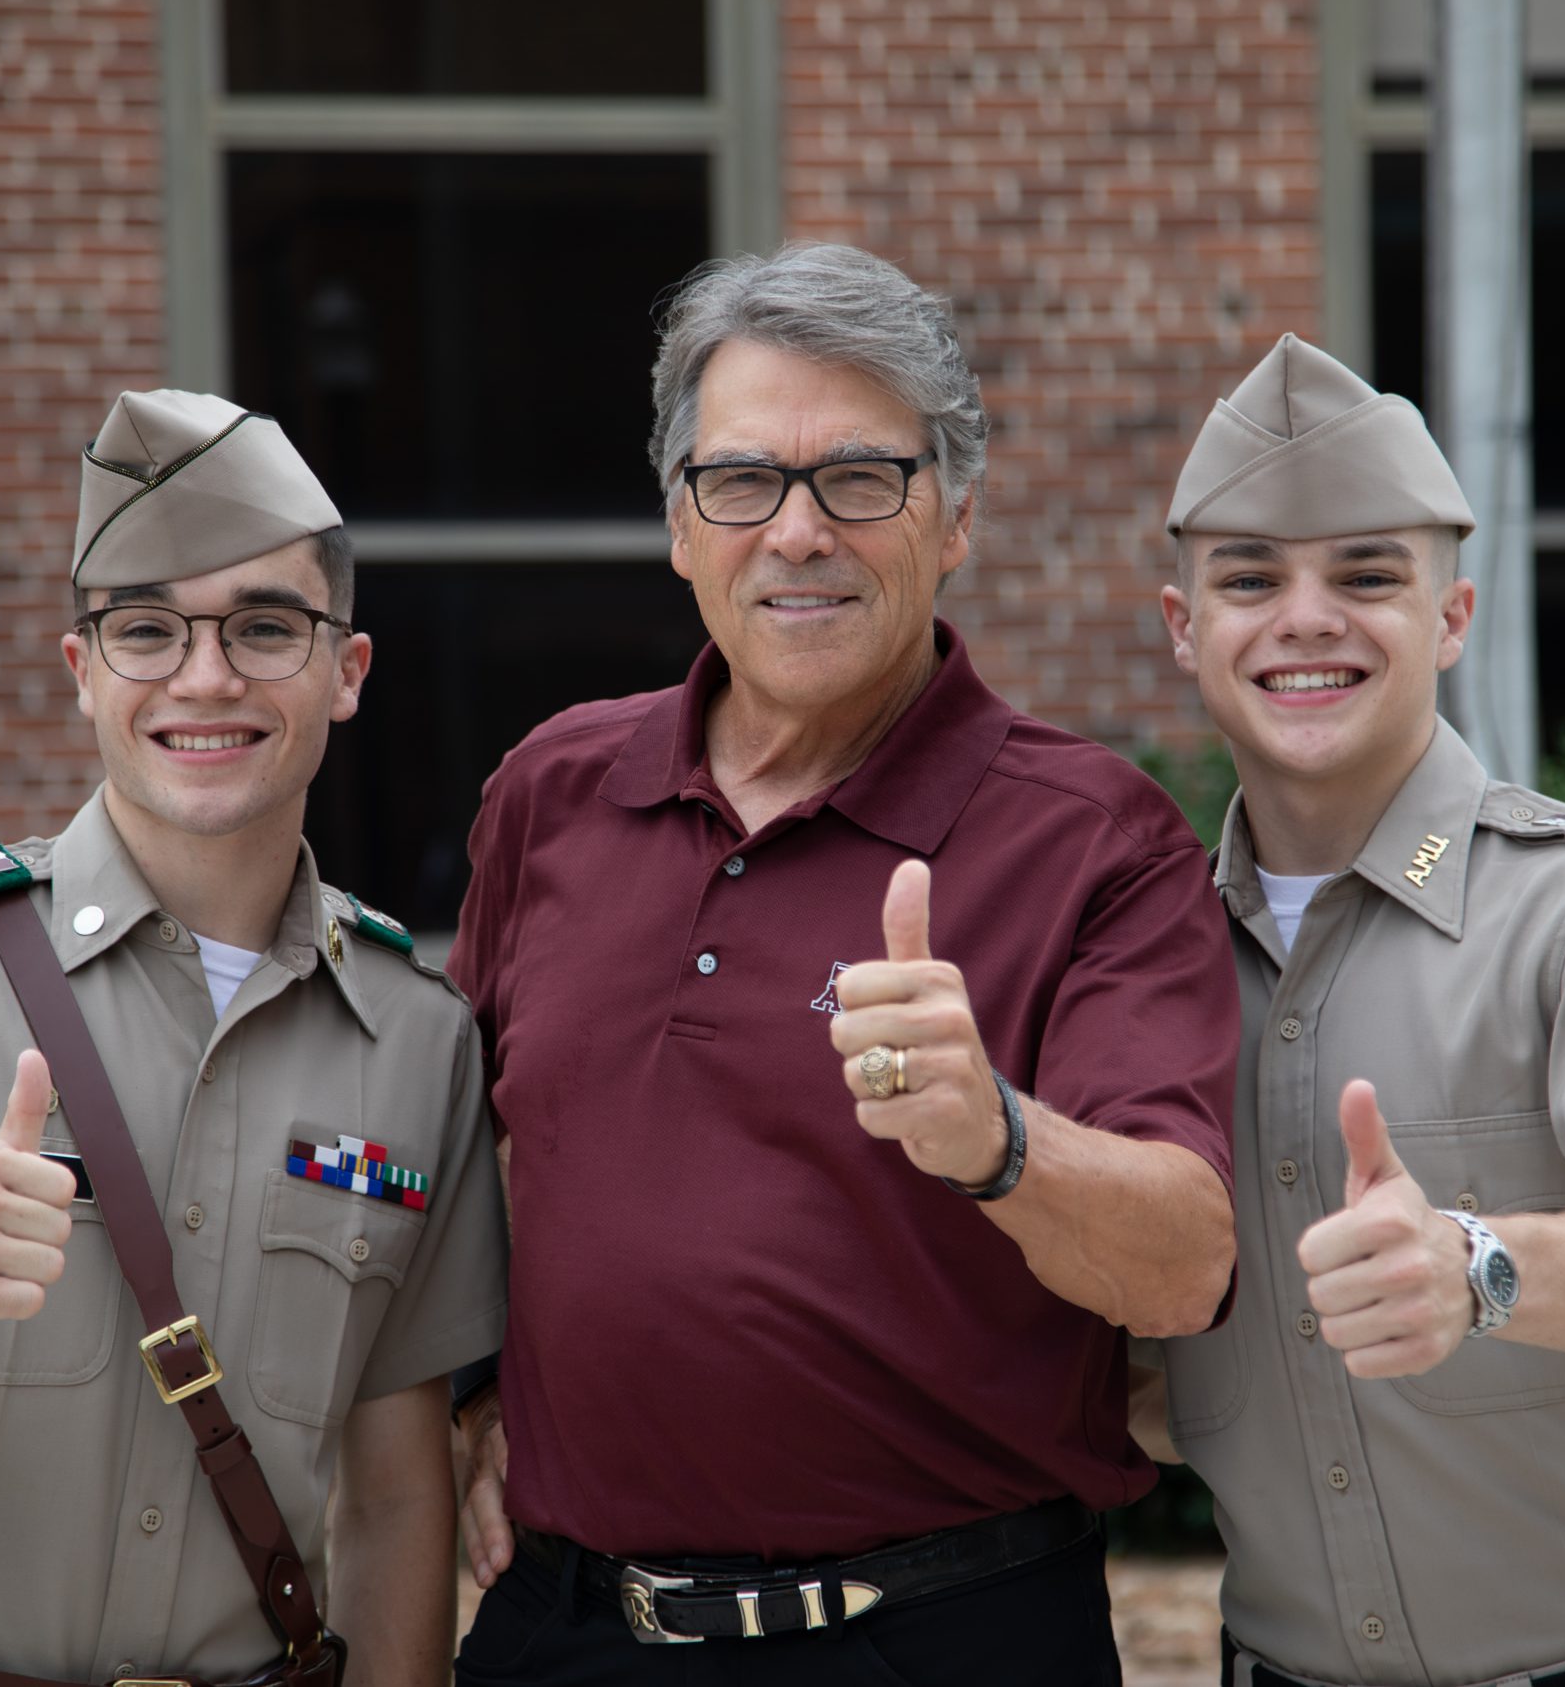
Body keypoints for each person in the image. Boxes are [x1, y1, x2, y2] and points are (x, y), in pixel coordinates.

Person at [442, 241, 1240, 1683]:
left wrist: (997, 1139)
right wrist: (468, 1401)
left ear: (957, 522)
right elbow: (473, 1159)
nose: (797, 532)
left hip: (942, 1637)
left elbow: (1184, 1266)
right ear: (681, 526)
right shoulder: (553, 790)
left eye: (860, 480)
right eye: (741, 481)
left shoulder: (1098, 843)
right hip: (569, 1638)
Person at [0, 389, 507, 1687]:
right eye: (147, 630)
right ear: (84, 673)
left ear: (346, 674)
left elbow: (399, 1501)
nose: (206, 676)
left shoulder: (414, 1035)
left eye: (266, 628)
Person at [1141, 333, 1565, 1687]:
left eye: (1366, 576)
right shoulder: (1142, 954)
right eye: (1249, 580)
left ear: (1453, 619)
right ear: (1184, 629)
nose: (1307, 618)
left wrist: (1476, 1269)